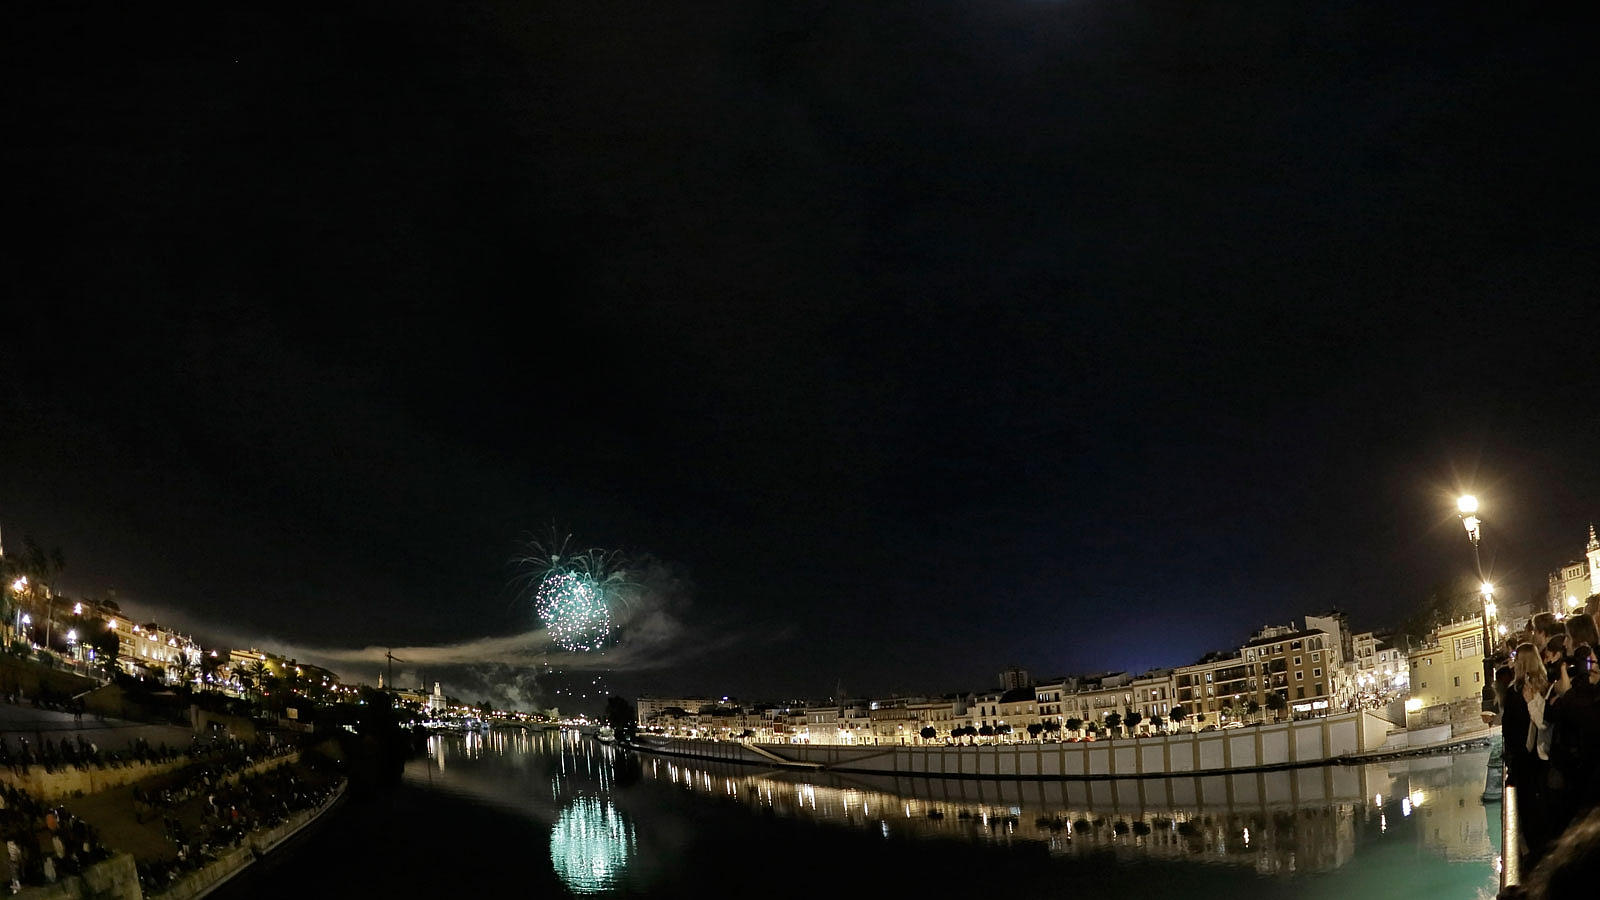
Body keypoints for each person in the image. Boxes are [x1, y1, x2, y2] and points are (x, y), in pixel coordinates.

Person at [1505, 642, 1556, 868]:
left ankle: (1534, 856)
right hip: (1543, 755)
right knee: (1544, 802)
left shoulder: (1515, 691)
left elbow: (1508, 728)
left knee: (1527, 808)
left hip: (1523, 758)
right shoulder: (1546, 686)